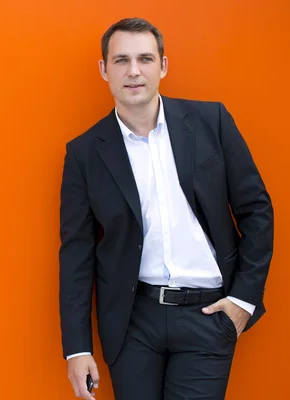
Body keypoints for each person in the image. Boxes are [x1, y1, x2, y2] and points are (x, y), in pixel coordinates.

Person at [58, 17, 274, 400]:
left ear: (163, 65)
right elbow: (77, 252)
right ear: (104, 69)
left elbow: (256, 211)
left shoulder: (213, 122)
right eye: (121, 60)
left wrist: (243, 301)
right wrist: (78, 347)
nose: (134, 71)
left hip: (208, 316)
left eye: (145, 58)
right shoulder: (85, 152)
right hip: (131, 321)